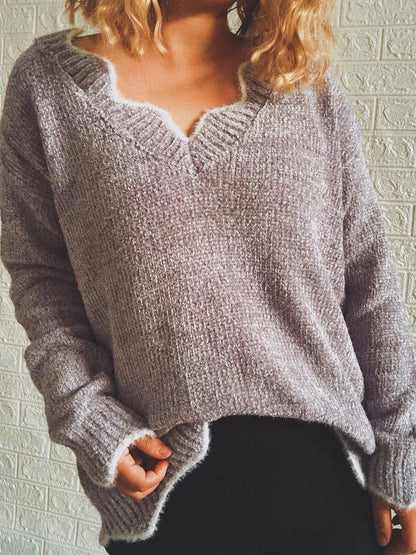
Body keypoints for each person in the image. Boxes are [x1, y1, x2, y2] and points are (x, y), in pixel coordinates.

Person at [0, 1, 415, 553]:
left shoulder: (305, 85)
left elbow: (369, 278)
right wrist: (88, 413)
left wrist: (402, 449)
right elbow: (41, 275)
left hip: (331, 486)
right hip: (162, 495)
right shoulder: (48, 89)